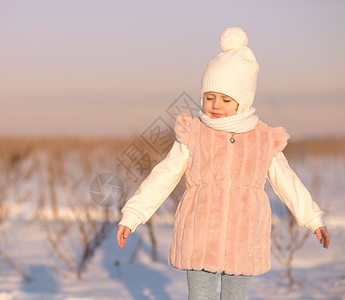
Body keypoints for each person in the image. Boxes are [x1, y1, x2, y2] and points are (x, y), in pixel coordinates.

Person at [116, 27, 330, 300]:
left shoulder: (262, 138)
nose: (216, 105)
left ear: (243, 100)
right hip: (199, 234)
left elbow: (287, 181)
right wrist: (133, 215)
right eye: (209, 97)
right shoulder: (194, 132)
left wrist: (313, 219)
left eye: (226, 99)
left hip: (245, 236)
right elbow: (164, 176)